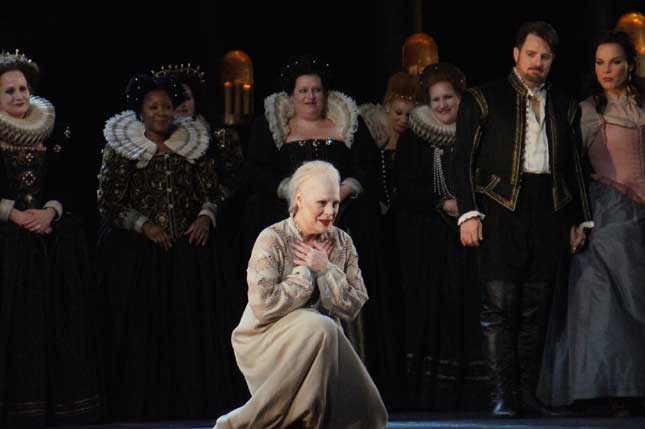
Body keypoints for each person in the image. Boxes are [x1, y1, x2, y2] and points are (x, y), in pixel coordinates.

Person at [452, 21, 592, 417]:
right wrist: (468, 213)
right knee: (499, 307)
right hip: (499, 210)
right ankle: (502, 395)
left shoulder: (564, 105)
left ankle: (527, 392)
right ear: (516, 54)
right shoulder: (484, 98)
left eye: (545, 56)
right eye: (531, 54)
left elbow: (575, 168)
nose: (538, 63)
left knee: (535, 308)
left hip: (547, 209)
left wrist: (579, 218)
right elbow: (462, 159)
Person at [97, 74, 237, 420]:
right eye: (153, 107)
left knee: (189, 327)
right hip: (140, 255)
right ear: (140, 112)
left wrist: (205, 217)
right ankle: (147, 406)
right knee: (145, 331)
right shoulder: (122, 149)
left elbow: (213, 190)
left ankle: (194, 404)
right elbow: (108, 201)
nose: (162, 113)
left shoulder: (192, 145)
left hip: (187, 253)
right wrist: (144, 225)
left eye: (167, 107)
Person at [215, 160, 387, 429]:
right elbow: (264, 306)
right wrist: (305, 274)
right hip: (265, 337)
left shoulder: (341, 241)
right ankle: (241, 423)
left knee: (371, 414)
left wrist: (326, 268)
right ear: (299, 199)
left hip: (324, 338)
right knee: (319, 325)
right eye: (322, 203)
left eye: (335, 203)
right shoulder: (273, 238)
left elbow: (353, 304)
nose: (330, 212)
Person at [538, 31, 645, 416]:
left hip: (640, 212)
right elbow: (567, 170)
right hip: (607, 208)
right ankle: (609, 387)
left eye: (615, 61)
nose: (607, 70)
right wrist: (575, 218)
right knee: (605, 300)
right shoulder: (587, 111)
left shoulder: (641, 106)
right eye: (600, 62)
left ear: (630, 64)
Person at [240, 55, 368, 356]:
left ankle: (346, 369)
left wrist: (344, 188)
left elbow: (366, 167)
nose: (311, 97)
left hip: (339, 221)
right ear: (292, 96)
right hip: (292, 226)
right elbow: (257, 170)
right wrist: (292, 192)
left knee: (337, 287)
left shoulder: (345, 124)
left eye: (316, 90)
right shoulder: (275, 128)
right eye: (303, 91)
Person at [0, 50, 102, 428]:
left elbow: (73, 183)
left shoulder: (52, 130)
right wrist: (14, 212)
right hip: (9, 245)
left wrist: (50, 211)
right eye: (8, 90)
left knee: (57, 328)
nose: (18, 96)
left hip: (52, 245)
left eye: (22, 88)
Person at [395, 63, 486, 410]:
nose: (444, 105)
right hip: (429, 242)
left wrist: (466, 206)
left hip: (469, 236)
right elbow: (407, 188)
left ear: (461, 99)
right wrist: (441, 203)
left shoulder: (477, 132)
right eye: (437, 99)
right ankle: (431, 393)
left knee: (469, 306)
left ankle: (472, 391)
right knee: (434, 308)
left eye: (449, 97)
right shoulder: (414, 138)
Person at [358, 71, 417, 409]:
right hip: (382, 229)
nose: (403, 120)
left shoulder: (416, 141)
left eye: (409, 114)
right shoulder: (375, 138)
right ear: (385, 109)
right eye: (397, 114)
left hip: (408, 228)